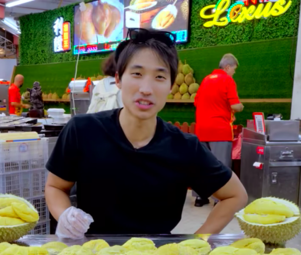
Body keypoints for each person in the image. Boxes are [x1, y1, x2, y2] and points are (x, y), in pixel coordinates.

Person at [45, 29, 247, 238]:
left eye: (159, 76)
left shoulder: (184, 146)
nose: (146, 88)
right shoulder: (83, 130)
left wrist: (196, 243)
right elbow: (55, 186)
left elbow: (236, 195)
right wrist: (65, 214)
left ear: (170, 85)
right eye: (137, 74)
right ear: (118, 79)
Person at [193, 53, 244, 207]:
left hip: (201, 130)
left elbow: (197, 102)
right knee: (221, 166)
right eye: (233, 69)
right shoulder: (227, 80)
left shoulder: (206, 80)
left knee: (202, 165)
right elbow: (235, 105)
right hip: (220, 131)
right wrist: (240, 107)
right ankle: (219, 200)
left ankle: (200, 198)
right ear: (227, 67)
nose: (233, 73)